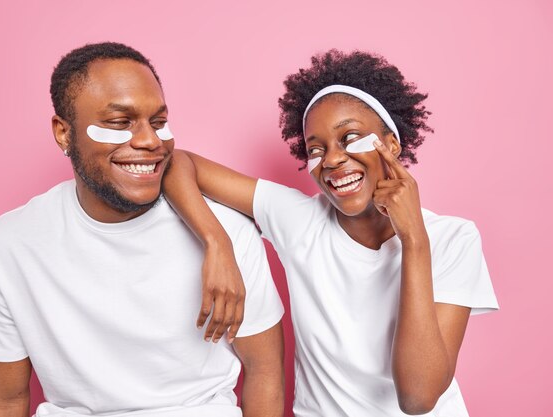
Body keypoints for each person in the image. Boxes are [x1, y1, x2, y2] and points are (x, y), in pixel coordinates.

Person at [164, 50, 499, 416]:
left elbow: (418, 398)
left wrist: (414, 240)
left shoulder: (454, 239)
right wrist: (217, 243)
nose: (332, 159)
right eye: (316, 149)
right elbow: (180, 162)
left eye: (350, 137)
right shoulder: (299, 219)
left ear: (391, 144)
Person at [0, 42, 285, 417]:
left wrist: (217, 241)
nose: (150, 140)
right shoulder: (9, 245)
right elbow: (2, 399)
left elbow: (265, 373)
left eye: (159, 122)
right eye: (119, 123)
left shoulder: (230, 232)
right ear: (64, 133)